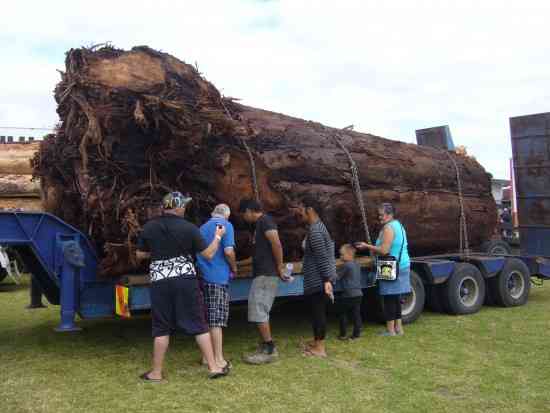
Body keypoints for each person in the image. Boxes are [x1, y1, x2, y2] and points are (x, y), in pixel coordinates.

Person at [136, 192, 229, 381]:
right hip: (185, 281)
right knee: (199, 324)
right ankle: (213, 368)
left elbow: (140, 255)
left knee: (161, 327)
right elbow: (208, 254)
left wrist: (158, 252)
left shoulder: (149, 227)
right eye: (184, 205)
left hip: (160, 281)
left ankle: (156, 372)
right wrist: (218, 236)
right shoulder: (189, 228)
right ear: (178, 208)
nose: (185, 208)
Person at [239, 199, 286, 364]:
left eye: (244, 213)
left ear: (250, 210)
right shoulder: (259, 225)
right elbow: (257, 255)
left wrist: (280, 266)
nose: (244, 217)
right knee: (257, 309)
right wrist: (238, 264)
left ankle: (270, 350)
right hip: (262, 273)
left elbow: (277, 244)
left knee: (259, 310)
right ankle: (265, 346)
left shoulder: (265, 221)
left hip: (267, 274)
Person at [355, 203, 411, 337]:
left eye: (381, 215)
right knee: (396, 297)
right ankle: (399, 329)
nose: (379, 217)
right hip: (402, 264)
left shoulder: (388, 228)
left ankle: (390, 331)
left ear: (389, 214)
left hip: (390, 264)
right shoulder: (399, 225)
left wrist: (366, 246)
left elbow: (384, 250)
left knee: (389, 298)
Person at [196, 204, 237, 371]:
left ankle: (206, 357)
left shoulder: (202, 227)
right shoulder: (226, 225)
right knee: (216, 320)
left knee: (206, 317)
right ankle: (219, 359)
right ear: (227, 215)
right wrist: (234, 266)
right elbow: (228, 251)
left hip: (203, 277)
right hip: (218, 278)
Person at [299, 196, 336, 357]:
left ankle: (320, 349)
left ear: (310, 210)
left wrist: (327, 280)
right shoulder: (318, 227)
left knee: (318, 314)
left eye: (301, 209)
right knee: (317, 312)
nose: (300, 212)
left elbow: (322, 257)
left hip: (318, 281)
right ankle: (316, 342)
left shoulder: (315, 231)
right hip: (319, 279)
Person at [335, 244, 363, 340]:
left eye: (342, 255)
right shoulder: (356, 264)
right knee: (356, 314)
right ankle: (356, 335)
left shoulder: (346, 265)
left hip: (348, 294)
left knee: (342, 313)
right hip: (358, 293)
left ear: (349, 255)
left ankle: (343, 334)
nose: (340, 257)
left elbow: (337, 277)